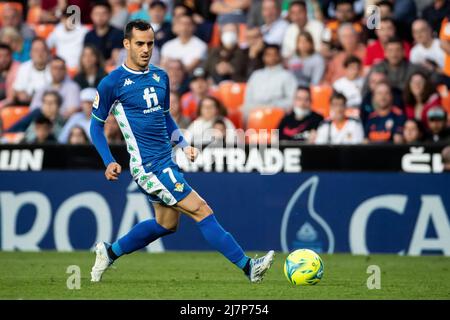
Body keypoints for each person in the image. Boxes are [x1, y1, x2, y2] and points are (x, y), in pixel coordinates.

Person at [89, 20, 274, 283]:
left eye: (150, 44)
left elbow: (166, 118)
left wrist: (183, 145)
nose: (145, 49)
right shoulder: (112, 83)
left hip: (167, 162)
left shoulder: (160, 77)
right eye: (140, 43)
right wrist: (108, 161)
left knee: (166, 224)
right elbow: (95, 127)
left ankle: (109, 252)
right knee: (201, 209)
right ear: (126, 44)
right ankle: (248, 267)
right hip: (148, 168)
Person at [243, 44, 297, 117]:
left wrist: (274, 105)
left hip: (275, 109)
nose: (272, 57)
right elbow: (248, 98)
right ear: (264, 57)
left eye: (275, 54)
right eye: (268, 54)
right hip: (255, 108)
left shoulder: (287, 76)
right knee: (242, 109)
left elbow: (292, 99)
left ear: (279, 56)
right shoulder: (256, 75)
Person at [12, 38, 52, 105]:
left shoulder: (55, 67)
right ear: (30, 53)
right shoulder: (23, 67)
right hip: (27, 104)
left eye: (43, 50)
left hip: (48, 104)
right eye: (36, 50)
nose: (40, 54)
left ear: (48, 53)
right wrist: (21, 94)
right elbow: (17, 89)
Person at [0, 43, 20, 108]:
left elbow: (11, 99)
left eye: (6, 56)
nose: (3, 59)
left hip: (9, 106)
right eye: (0, 56)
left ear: (11, 56)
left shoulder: (17, 69)